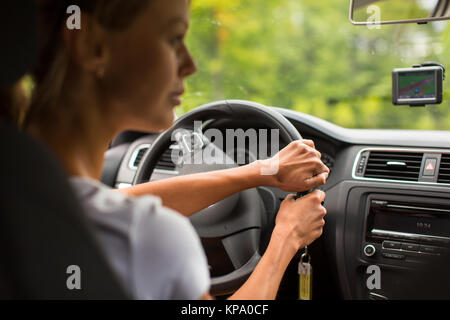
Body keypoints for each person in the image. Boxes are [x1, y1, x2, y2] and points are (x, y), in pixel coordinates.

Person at [25, 0, 329, 299]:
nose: (190, 65)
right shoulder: (151, 237)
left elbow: (108, 204)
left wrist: (263, 171)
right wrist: (287, 237)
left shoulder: (29, 192)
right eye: (174, 39)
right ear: (92, 46)